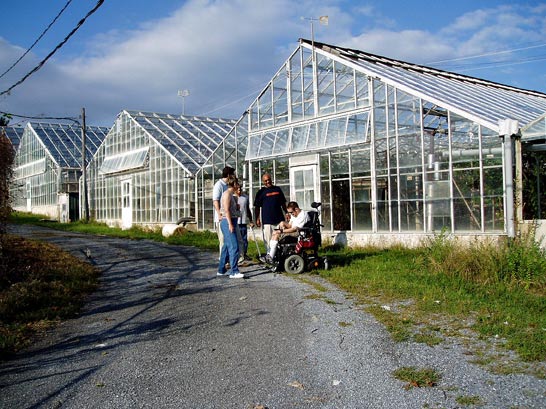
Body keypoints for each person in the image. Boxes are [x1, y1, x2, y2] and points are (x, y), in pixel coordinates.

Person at [217, 176, 244, 279]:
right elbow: (226, 210)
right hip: (227, 221)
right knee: (234, 246)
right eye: (237, 184)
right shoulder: (227, 194)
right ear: (234, 184)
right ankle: (234, 271)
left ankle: (221, 269)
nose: (239, 186)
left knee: (226, 247)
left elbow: (230, 209)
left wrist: (236, 207)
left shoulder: (231, 195)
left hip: (230, 220)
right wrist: (230, 224)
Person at [254, 173, 287, 253]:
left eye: (269, 180)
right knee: (268, 241)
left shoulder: (277, 189)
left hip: (279, 220)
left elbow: (283, 203)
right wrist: (257, 218)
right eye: (265, 181)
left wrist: (286, 213)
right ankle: (269, 256)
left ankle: (279, 256)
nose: (268, 182)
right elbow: (257, 207)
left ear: (271, 180)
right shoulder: (261, 192)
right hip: (267, 221)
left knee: (280, 239)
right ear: (263, 182)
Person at [212, 166, 235, 258]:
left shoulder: (228, 185)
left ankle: (229, 259)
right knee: (223, 240)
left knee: (229, 240)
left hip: (229, 217)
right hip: (222, 218)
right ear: (229, 175)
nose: (234, 176)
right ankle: (223, 260)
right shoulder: (219, 185)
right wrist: (219, 214)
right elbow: (215, 201)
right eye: (233, 174)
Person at [236, 186, 253, 261]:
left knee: (244, 239)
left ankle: (244, 254)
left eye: (240, 189)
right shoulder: (232, 197)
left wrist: (251, 220)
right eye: (238, 189)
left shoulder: (245, 197)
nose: (239, 191)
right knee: (236, 240)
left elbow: (248, 209)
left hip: (243, 221)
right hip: (235, 222)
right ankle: (238, 255)